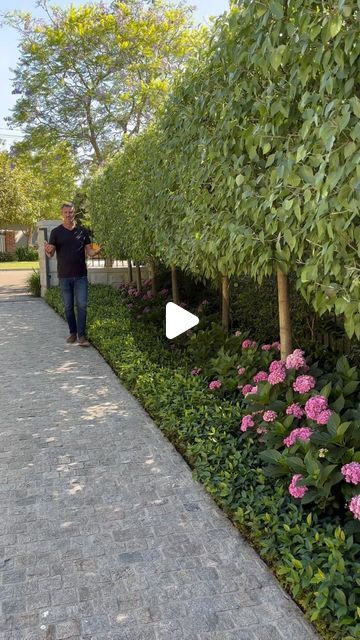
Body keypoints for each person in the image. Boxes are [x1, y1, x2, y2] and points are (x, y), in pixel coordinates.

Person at [44, 202, 101, 346]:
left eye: (71, 212)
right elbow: (51, 253)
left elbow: (89, 252)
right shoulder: (56, 232)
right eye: (66, 212)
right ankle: (73, 333)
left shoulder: (83, 231)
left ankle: (81, 336)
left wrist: (95, 252)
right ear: (61, 214)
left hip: (81, 275)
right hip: (64, 276)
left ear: (74, 213)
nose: (69, 215)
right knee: (68, 306)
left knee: (81, 304)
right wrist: (47, 250)